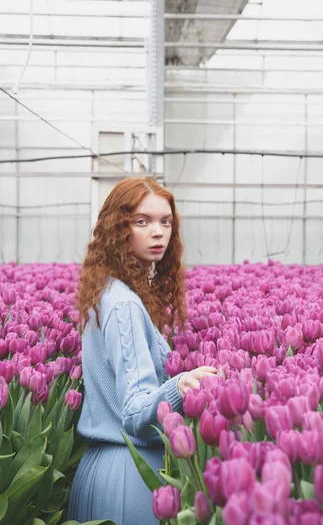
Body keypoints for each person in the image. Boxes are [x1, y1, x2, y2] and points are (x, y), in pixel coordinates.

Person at [67, 177, 217, 525]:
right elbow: (134, 410)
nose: (158, 232)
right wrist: (180, 385)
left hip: (96, 471)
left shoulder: (105, 293)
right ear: (118, 229)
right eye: (142, 221)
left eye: (166, 222)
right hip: (132, 477)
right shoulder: (124, 305)